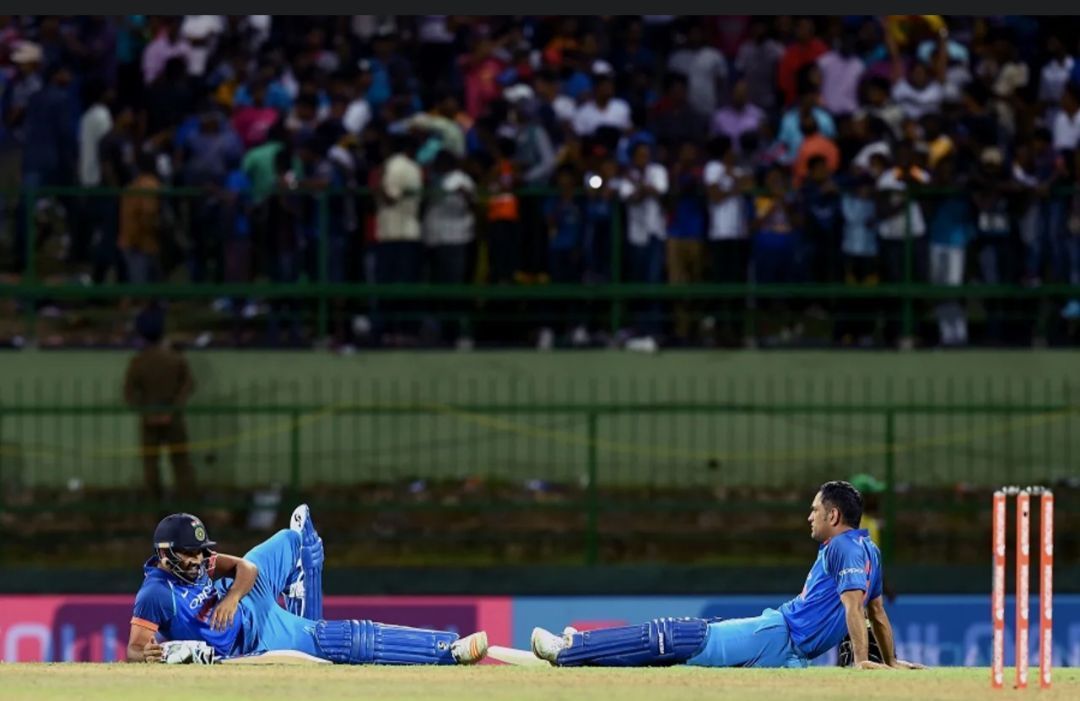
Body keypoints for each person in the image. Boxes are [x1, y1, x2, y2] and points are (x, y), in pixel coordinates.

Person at [531, 481, 927, 670]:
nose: (809, 516)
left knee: (675, 635)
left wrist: (862, 660)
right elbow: (878, 612)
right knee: (677, 646)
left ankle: (570, 648)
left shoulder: (841, 547)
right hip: (787, 649)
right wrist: (890, 664)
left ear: (833, 516)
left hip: (779, 635)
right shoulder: (870, 550)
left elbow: (856, 608)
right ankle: (581, 645)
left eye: (814, 510)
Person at [127, 505, 489, 665]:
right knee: (342, 640)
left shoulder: (205, 563)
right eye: (188, 554)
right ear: (166, 554)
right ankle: (447, 649)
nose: (197, 560)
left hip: (249, 602)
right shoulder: (156, 594)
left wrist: (233, 598)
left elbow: (246, 569)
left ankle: (301, 584)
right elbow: (134, 649)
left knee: (291, 538)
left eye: (200, 552)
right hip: (255, 641)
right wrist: (151, 655)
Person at [123, 304, 196, 503]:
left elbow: (129, 395)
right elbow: (189, 385)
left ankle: (155, 508)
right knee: (180, 463)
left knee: (150, 464)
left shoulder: (138, 362)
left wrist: (148, 414)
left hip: (149, 420)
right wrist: (172, 410)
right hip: (173, 418)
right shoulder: (175, 358)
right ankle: (188, 506)